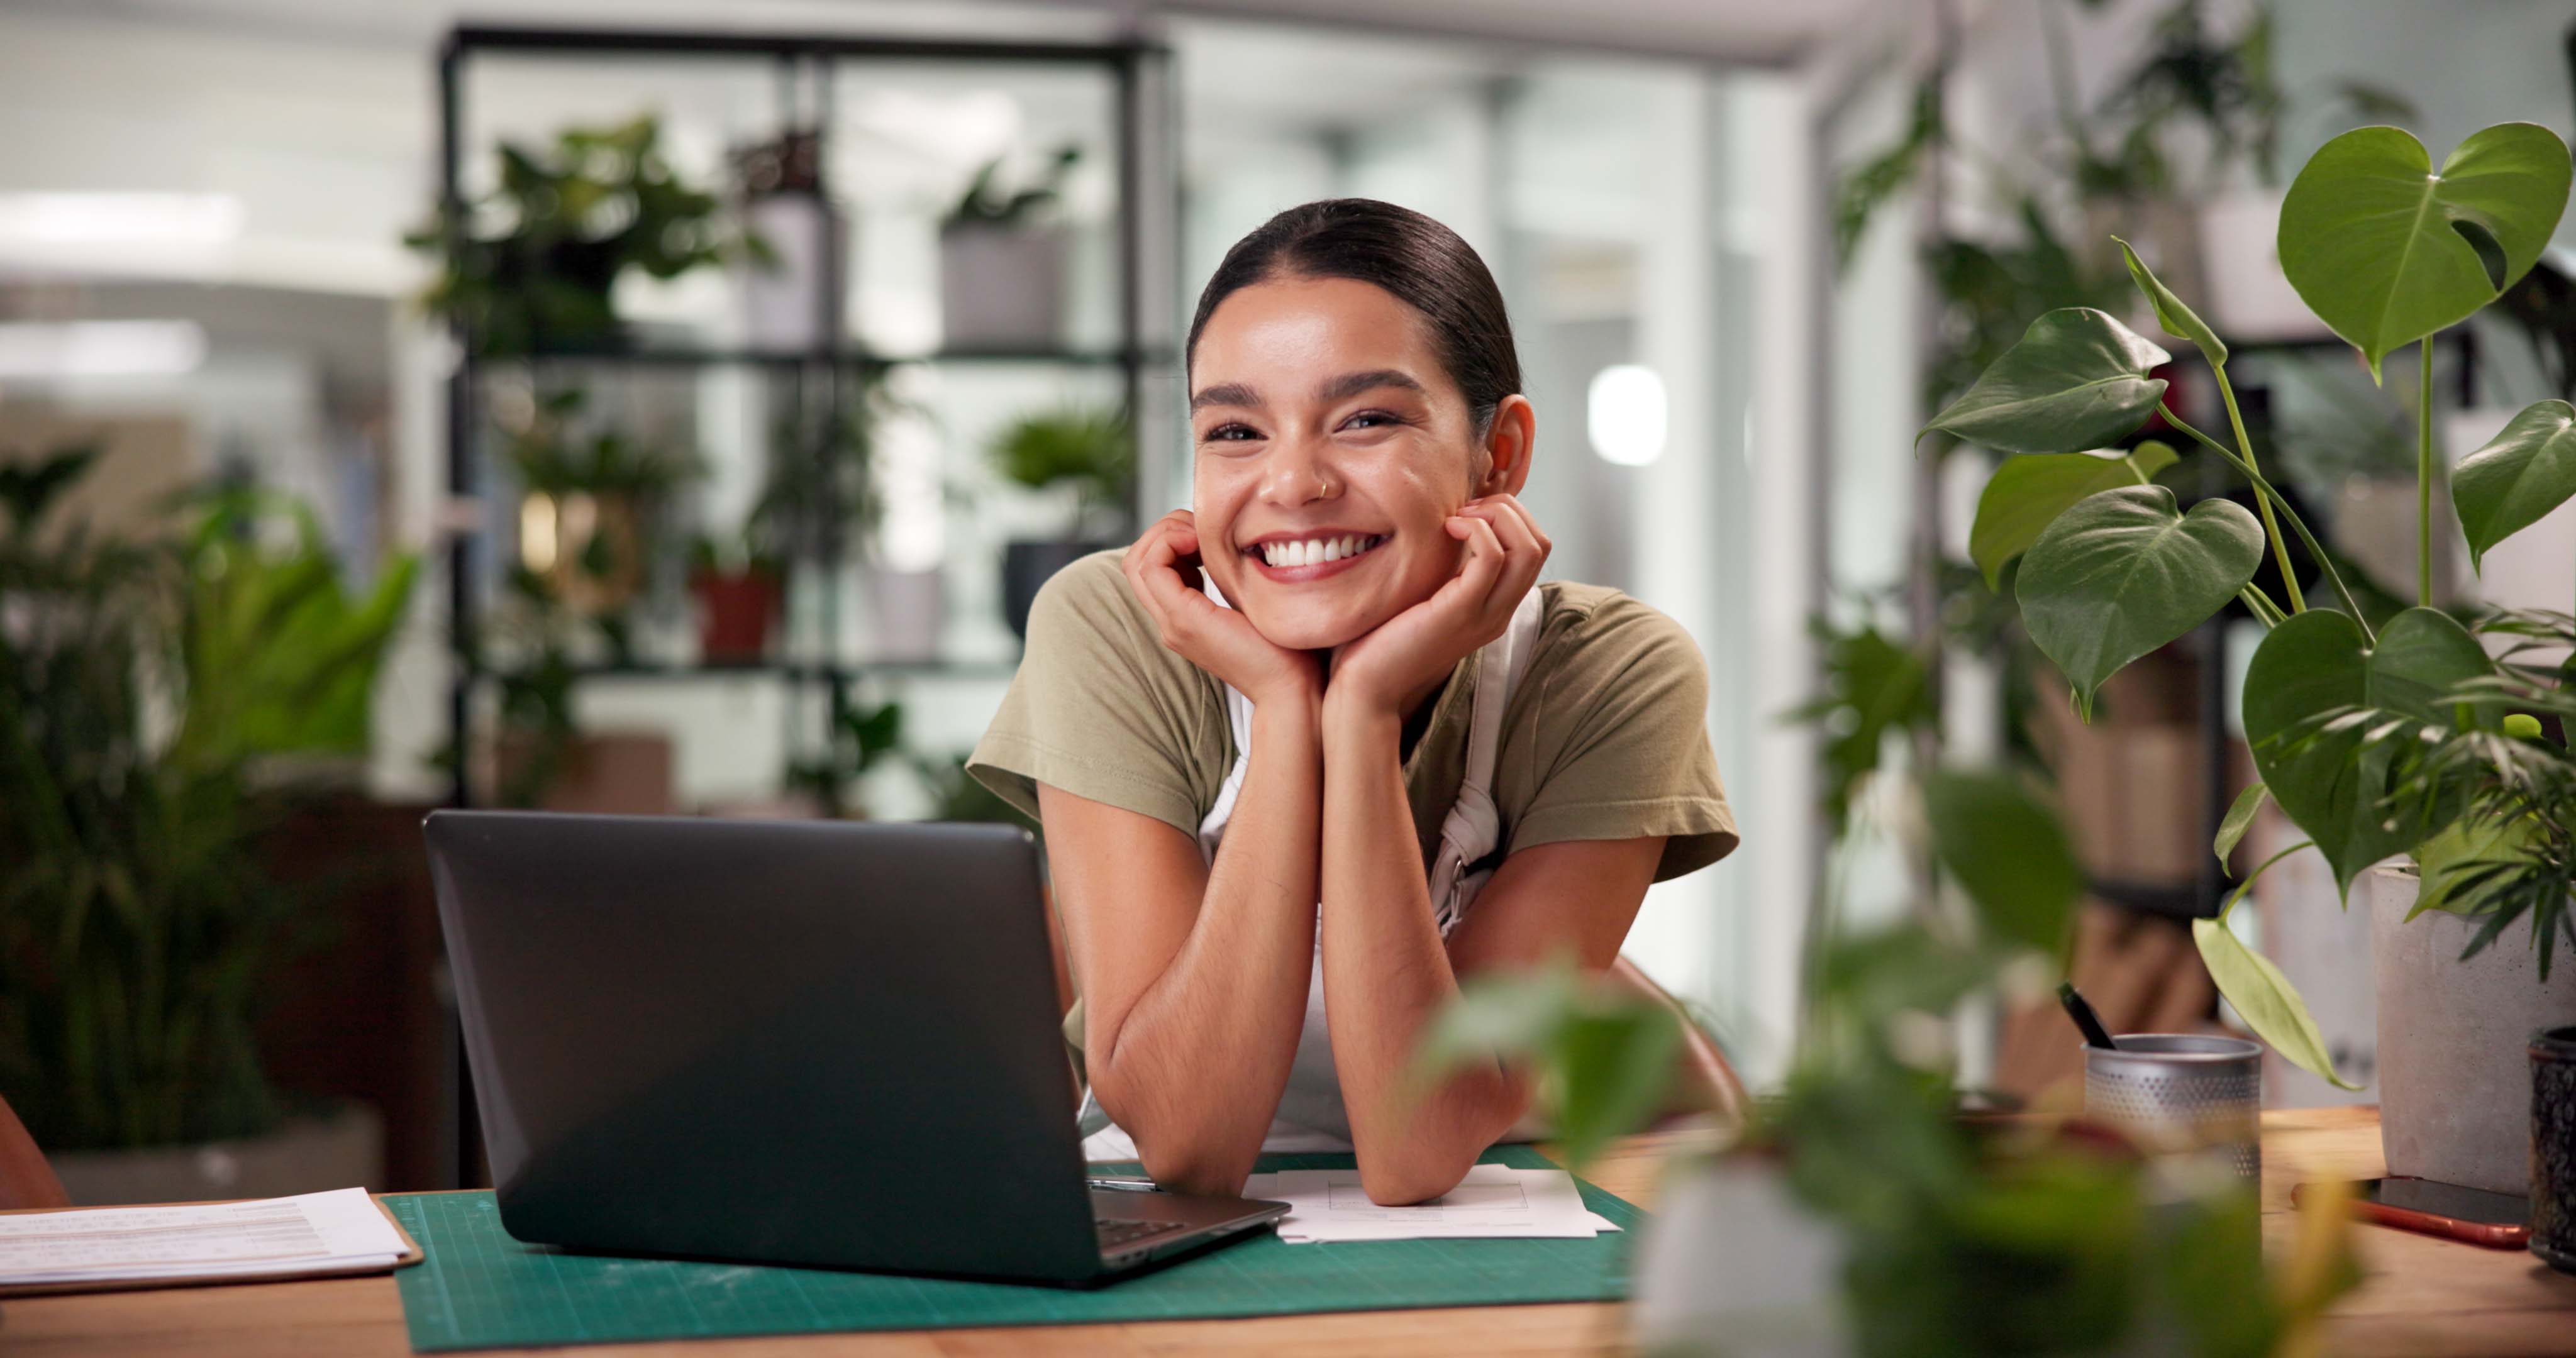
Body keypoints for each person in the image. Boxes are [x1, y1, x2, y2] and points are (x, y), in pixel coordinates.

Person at [967, 198, 1735, 1205]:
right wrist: (1285, 712)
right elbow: (1188, 1144)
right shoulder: (1117, 629)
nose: (1292, 482)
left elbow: (1423, 1146)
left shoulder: (1612, 674)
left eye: (1366, 419)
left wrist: (1362, 713)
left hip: (1559, 1172)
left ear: (1497, 455)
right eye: (1236, 429)